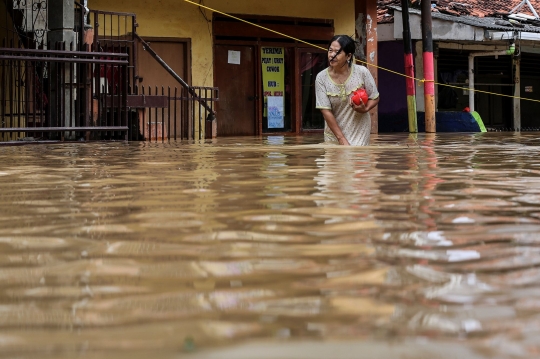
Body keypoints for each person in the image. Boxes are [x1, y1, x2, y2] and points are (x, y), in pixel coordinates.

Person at [315, 35, 380, 146]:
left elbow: (375, 97)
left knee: (356, 161)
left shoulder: (362, 72)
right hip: (334, 134)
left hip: (359, 131)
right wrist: (341, 139)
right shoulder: (321, 78)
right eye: (330, 50)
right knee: (333, 162)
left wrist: (365, 109)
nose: (332, 55)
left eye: (337, 52)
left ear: (348, 56)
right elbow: (326, 111)